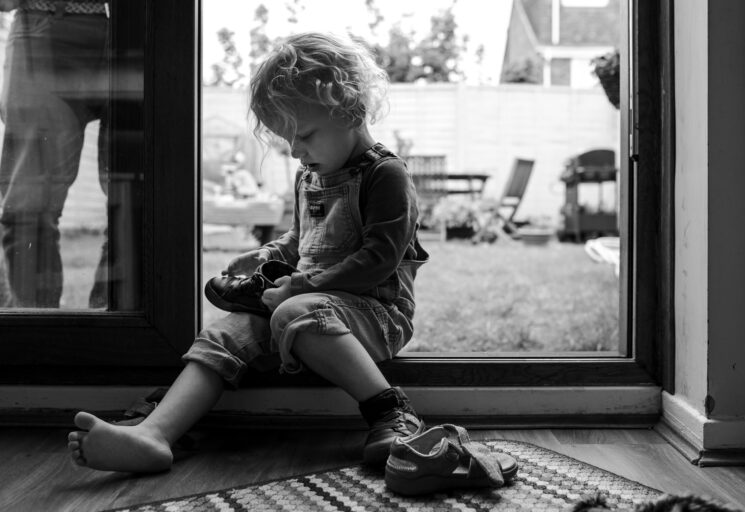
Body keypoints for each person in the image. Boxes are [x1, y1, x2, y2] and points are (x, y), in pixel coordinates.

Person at [67, 31, 430, 473]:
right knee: (226, 332)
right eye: (287, 141)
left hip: (375, 316)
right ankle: (154, 434)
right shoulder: (309, 177)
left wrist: (302, 286)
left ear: (348, 106)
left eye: (305, 135)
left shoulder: (386, 175)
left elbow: (380, 259)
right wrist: (264, 256)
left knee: (294, 312)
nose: (296, 151)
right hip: (305, 306)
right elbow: (300, 243)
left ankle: (393, 413)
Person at [0, 0, 111, 308]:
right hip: (45, 21)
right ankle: (38, 344)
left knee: (142, 207)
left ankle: (121, 344)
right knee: (28, 208)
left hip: (142, 27)